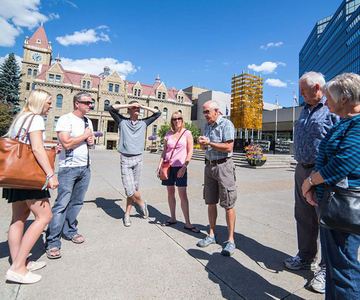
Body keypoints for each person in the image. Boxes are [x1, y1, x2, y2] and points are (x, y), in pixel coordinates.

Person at [301, 73, 360, 299]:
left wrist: (310, 181)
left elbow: (344, 162)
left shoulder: (356, 123)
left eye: (329, 98)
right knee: (336, 269)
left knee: (345, 269)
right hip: (332, 203)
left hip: (343, 206)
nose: (325, 103)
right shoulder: (344, 123)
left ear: (344, 98)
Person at [284, 72, 339, 294]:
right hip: (302, 170)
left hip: (322, 173)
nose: (301, 95)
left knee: (324, 220)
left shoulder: (331, 109)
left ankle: (326, 269)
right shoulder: (305, 110)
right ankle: (306, 257)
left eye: (304, 91)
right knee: (303, 216)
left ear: (317, 88)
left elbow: (339, 143)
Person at [2, 89, 59, 284]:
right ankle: (18, 268)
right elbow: (35, 148)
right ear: (40, 102)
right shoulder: (35, 118)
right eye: (49, 103)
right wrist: (50, 174)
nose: (50, 107)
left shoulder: (21, 117)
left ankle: (19, 260)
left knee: (18, 219)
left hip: (15, 174)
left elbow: (25, 144)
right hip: (29, 177)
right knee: (45, 216)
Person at [46, 92, 94, 259]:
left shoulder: (88, 122)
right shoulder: (65, 119)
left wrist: (90, 140)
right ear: (77, 103)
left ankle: (69, 230)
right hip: (68, 168)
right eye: (87, 102)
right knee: (61, 204)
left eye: (91, 102)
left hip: (84, 168)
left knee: (77, 203)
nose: (90, 105)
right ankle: (53, 241)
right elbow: (66, 143)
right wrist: (84, 136)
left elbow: (89, 141)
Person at [109, 101, 161, 227]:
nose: (137, 109)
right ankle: (142, 204)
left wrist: (142, 106)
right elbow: (110, 109)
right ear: (129, 110)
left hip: (138, 159)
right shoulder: (122, 122)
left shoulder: (143, 123)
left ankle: (127, 215)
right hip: (125, 159)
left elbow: (158, 113)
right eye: (134, 108)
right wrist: (128, 105)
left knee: (134, 189)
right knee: (129, 189)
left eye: (138, 108)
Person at [197, 100, 237, 256]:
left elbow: (228, 147)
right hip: (209, 166)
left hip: (224, 166)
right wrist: (202, 144)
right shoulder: (207, 126)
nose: (205, 115)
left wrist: (210, 143)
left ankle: (231, 240)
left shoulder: (226, 124)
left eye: (207, 112)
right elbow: (205, 146)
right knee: (210, 202)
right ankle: (212, 235)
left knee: (228, 204)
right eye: (204, 112)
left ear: (216, 111)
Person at [156, 111, 199, 233]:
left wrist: (184, 166)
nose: (177, 121)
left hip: (180, 167)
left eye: (179, 118)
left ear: (182, 120)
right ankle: (173, 217)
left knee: (182, 194)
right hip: (168, 167)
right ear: (172, 121)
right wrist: (159, 166)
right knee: (170, 193)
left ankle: (188, 223)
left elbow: (190, 151)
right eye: (174, 119)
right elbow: (164, 151)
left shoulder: (187, 133)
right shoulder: (168, 134)